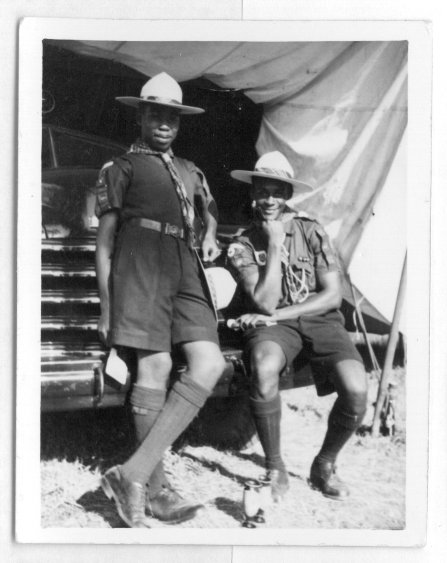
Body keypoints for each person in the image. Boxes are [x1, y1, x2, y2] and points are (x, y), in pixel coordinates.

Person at [95, 72, 225, 527]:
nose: (164, 122)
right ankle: (156, 490)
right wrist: (107, 308)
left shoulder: (190, 169)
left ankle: (129, 473)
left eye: (172, 115)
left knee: (210, 363)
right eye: (156, 113)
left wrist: (208, 236)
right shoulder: (121, 167)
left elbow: (208, 212)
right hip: (142, 262)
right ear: (141, 115)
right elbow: (106, 240)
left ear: (179, 120)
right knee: (157, 368)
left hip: (186, 266)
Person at [227, 151, 367, 502]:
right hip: (274, 325)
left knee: (357, 389)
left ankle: (325, 464)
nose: (269, 200)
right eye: (262, 191)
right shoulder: (242, 244)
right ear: (252, 194)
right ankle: (274, 467)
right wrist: (274, 245)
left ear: (288, 195)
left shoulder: (311, 230)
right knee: (263, 365)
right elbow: (265, 302)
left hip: (315, 320)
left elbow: (332, 295)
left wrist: (278, 316)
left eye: (277, 192)